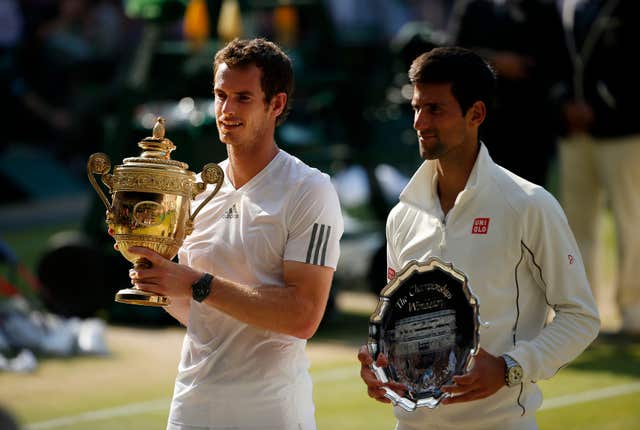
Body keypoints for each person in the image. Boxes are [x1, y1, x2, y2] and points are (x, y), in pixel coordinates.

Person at [357, 47, 599, 430]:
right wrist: (381, 362)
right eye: (416, 107)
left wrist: (509, 369)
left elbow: (580, 317)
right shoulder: (402, 215)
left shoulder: (529, 204)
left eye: (435, 109)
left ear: (476, 114)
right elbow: (401, 324)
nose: (419, 122)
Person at [125, 38, 343, 430]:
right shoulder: (196, 189)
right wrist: (158, 278)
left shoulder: (310, 189)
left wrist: (195, 282)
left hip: (271, 414)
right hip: (191, 407)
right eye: (220, 95)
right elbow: (200, 314)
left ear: (275, 105)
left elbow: (304, 316)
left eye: (243, 98)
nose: (226, 111)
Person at [554, 0, 640, 334]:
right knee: (575, 223)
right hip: (573, 130)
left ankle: (632, 306)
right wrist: (563, 104)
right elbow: (555, 60)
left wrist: (602, 109)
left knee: (629, 217)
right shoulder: (566, 5)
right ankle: (582, 310)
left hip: (622, 129)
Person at [451, 0, 567, 187]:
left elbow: (557, 59)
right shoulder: (475, 6)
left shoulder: (543, 8)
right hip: (486, 122)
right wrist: (495, 62)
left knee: (529, 195)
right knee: (486, 193)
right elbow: (456, 53)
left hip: (532, 124)